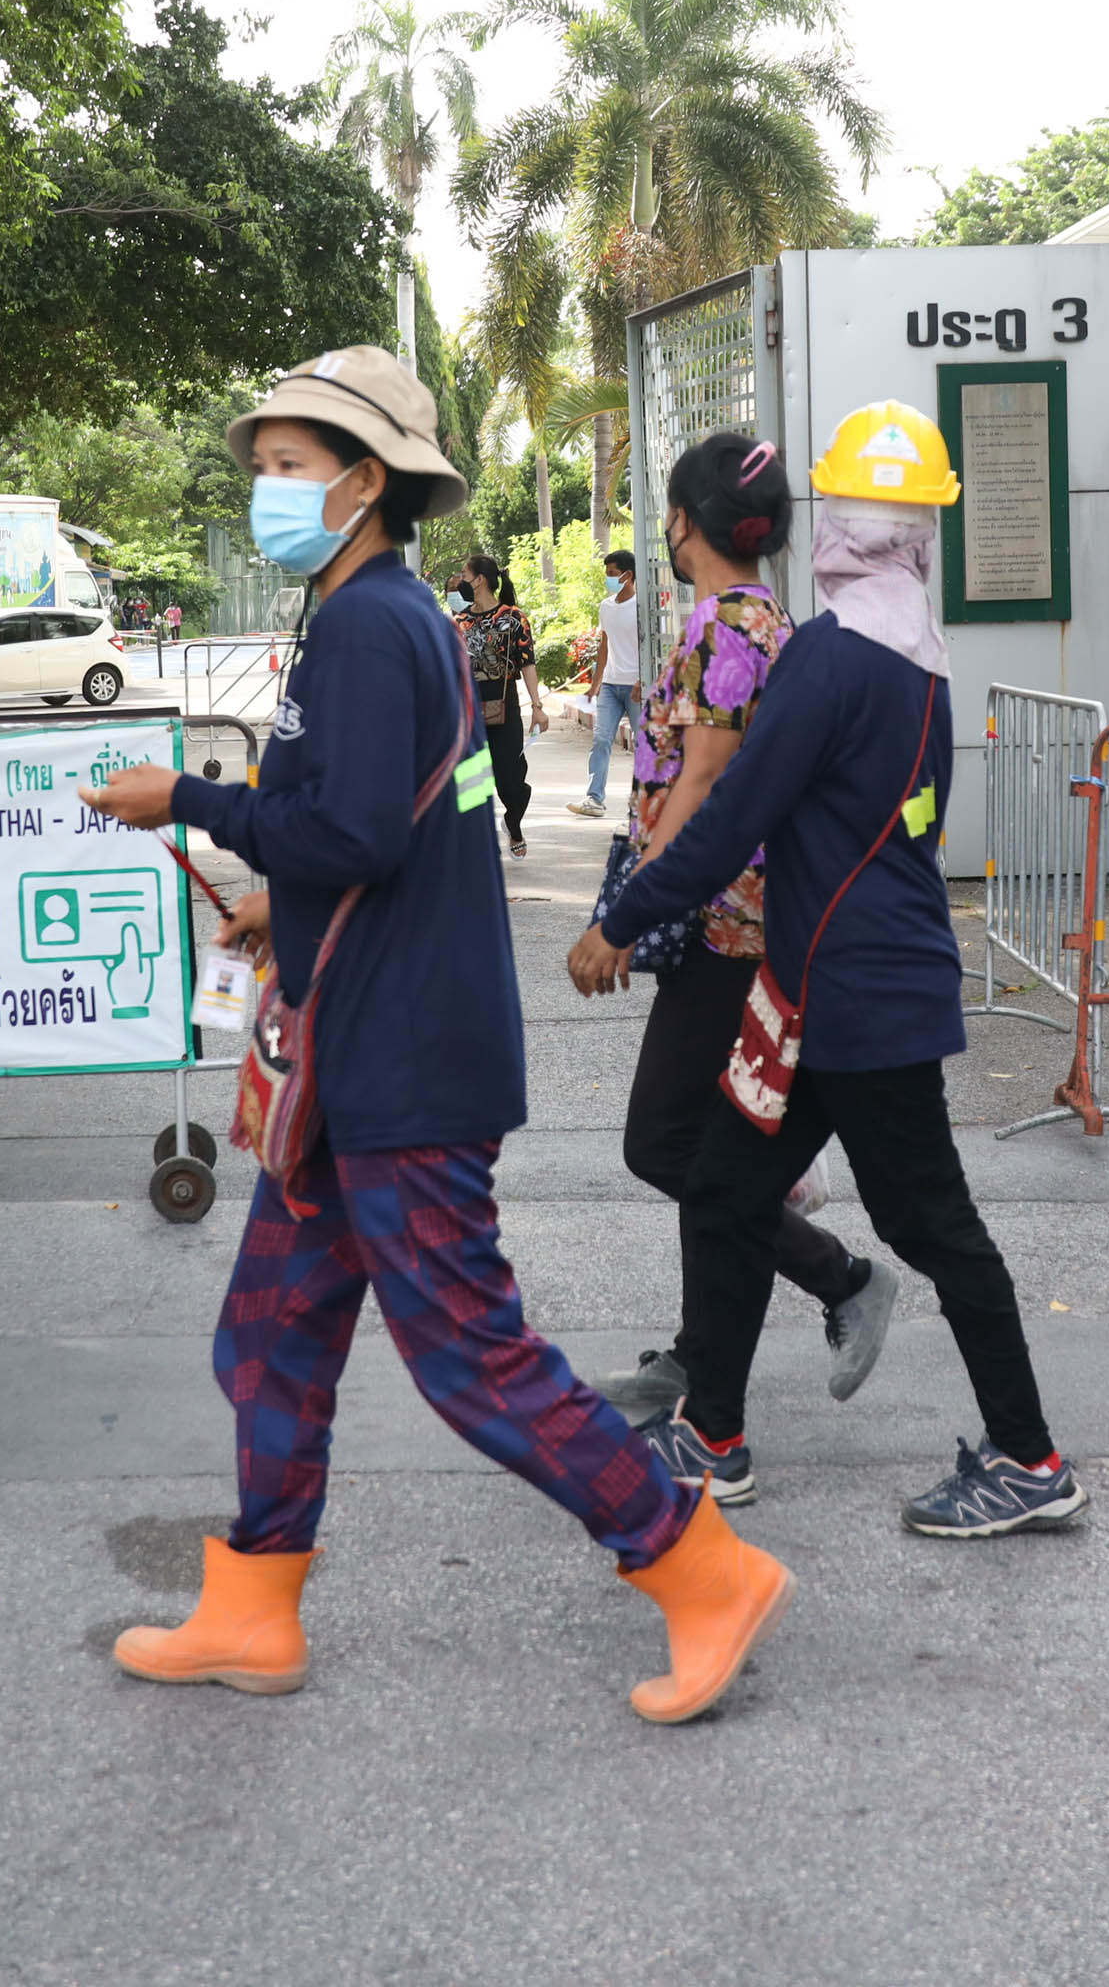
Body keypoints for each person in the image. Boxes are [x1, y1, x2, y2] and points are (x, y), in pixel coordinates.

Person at [78, 345, 789, 1725]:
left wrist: (191, 802)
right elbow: (395, 825)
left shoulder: (370, 624)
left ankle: (702, 1568)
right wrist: (289, 914)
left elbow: (342, 827)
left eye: (287, 469)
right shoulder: (378, 615)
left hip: (403, 1060)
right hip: (363, 1040)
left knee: (470, 1358)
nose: (265, 493)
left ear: (362, 482)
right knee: (274, 1335)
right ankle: (253, 1607)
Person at [573, 400, 1083, 1539]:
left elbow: (728, 821)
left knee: (934, 1229)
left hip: (854, 1006)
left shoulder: (836, 655)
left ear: (855, 525)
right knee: (724, 1187)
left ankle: (1031, 1458)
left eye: (858, 507)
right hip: (834, 990)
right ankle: (713, 1435)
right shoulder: (915, 656)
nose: (848, 524)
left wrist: (621, 918)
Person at [590, 431, 897, 1440]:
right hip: (744, 920)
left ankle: (840, 1276)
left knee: (668, 1143)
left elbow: (706, 777)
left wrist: (632, 908)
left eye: (669, 514)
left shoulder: (727, 626)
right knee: (710, 1148)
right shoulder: (770, 619)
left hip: (726, 925)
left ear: (686, 523)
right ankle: (700, 1357)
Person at [456, 552, 542, 857]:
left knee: (510, 778)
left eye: (465, 575)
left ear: (480, 580)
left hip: (504, 702)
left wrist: (537, 705)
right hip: (467, 706)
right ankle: (475, 840)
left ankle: (513, 823)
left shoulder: (514, 617)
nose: (460, 581)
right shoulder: (460, 621)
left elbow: (527, 662)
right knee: (472, 777)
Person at [572, 545, 642, 819]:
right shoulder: (606, 606)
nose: (609, 578)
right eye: (607, 573)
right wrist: (595, 682)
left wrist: (642, 680)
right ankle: (594, 798)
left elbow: (650, 646)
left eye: (613, 574)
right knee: (601, 740)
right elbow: (604, 645)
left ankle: (645, 799)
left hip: (637, 688)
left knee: (644, 744)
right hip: (611, 686)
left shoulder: (641, 606)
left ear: (628, 575)